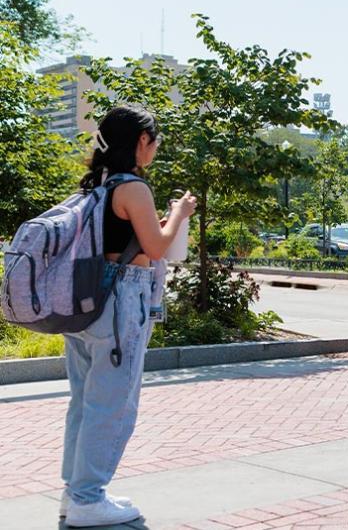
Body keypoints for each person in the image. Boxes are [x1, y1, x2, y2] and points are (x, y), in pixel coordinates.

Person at [60, 105, 197, 528]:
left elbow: (127, 238)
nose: (155, 149)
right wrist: (180, 213)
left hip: (84, 300)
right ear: (141, 141)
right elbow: (157, 248)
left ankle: (75, 492)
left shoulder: (95, 186)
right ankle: (87, 498)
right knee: (113, 405)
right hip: (120, 301)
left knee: (85, 402)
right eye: (154, 141)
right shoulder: (133, 187)